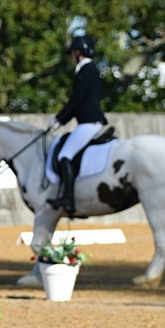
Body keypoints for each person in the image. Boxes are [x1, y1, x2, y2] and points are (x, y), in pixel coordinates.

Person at [47, 34, 107, 214]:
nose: (72, 57)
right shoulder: (91, 70)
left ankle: (69, 199)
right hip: (92, 121)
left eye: (73, 53)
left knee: (64, 155)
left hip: (89, 122)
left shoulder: (86, 70)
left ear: (78, 53)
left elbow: (76, 101)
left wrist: (59, 119)